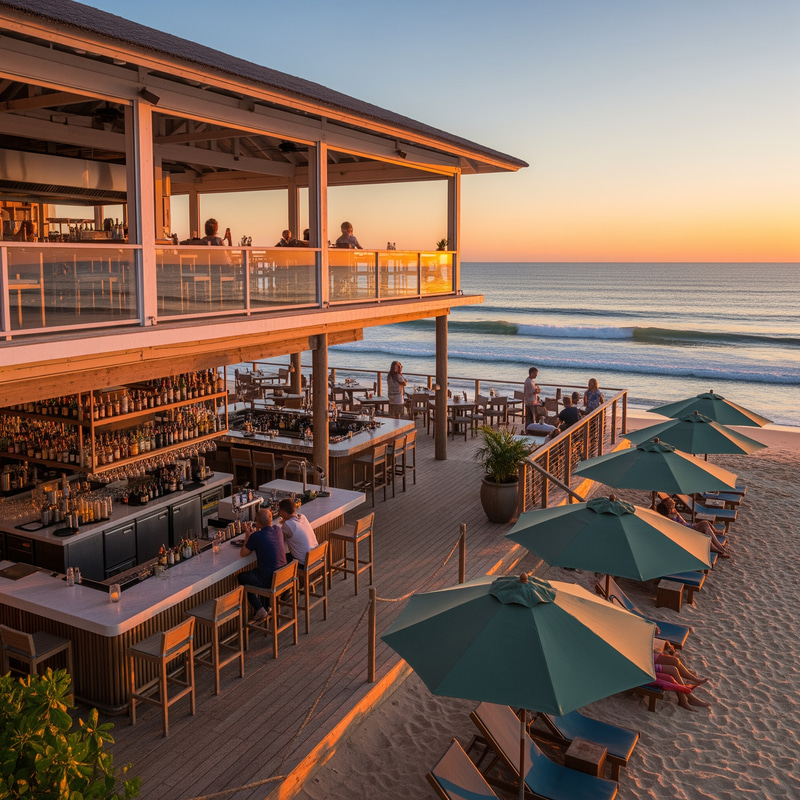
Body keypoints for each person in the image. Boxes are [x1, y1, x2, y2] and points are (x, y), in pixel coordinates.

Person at [238, 508, 287, 621]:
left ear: (257, 523)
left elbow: (243, 553)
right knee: (264, 570)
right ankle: (268, 606)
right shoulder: (278, 530)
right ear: (271, 520)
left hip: (269, 580)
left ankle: (260, 610)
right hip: (282, 576)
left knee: (242, 577)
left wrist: (247, 536)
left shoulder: (256, 537)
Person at [657, 496, 730, 557]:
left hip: (688, 528)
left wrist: (678, 514)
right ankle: (720, 550)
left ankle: (717, 539)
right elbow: (680, 529)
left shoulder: (673, 515)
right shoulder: (671, 519)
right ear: (669, 509)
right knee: (705, 535)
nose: (675, 508)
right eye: (673, 507)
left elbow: (684, 523)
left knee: (705, 523)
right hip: (688, 533)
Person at [277, 497, 318, 566]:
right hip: (316, 555)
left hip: (304, 562)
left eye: (280, 513)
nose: (280, 515)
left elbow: (277, 539)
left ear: (284, 513)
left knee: (279, 560)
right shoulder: (302, 517)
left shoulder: (288, 526)